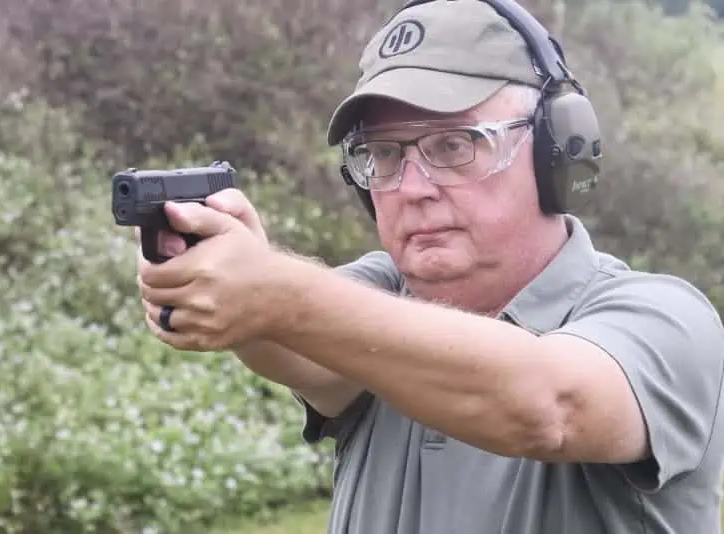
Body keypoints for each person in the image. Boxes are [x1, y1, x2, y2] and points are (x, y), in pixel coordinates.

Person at [136, 0, 724, 532]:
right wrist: (227, 275)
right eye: (385, 154)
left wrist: (277, 293)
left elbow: (550, 406)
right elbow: (291, 344)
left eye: (454, 144)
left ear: (556, 152)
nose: (410, 187)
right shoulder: (380, 295)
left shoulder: (664, 319)